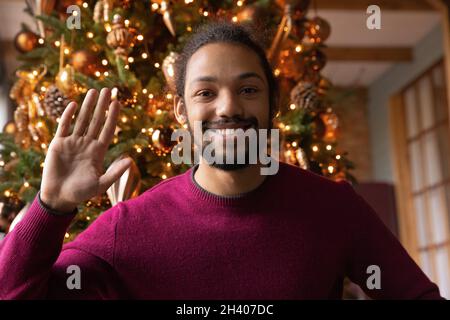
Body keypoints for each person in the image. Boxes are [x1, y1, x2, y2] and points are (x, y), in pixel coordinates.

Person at [0, 22, 444, 300]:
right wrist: (51, 206)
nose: (228, 107)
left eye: (248, 89)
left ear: (272, 104)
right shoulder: (128, 228)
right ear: (181, 112)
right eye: (206, 92)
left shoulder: (332, 208)